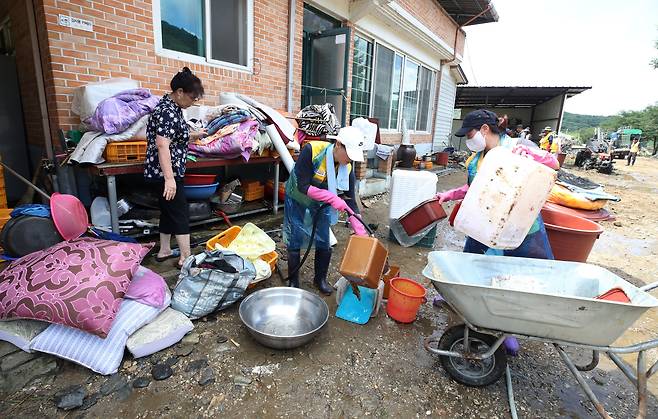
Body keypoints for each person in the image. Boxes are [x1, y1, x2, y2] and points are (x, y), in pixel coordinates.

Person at [436, 109, 559, 259]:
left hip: (519, 225)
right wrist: (449, 195)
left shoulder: (518, 144)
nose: (468, 141)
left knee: (528, 271)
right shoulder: (476, 160)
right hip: (484, 223)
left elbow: (554, 163)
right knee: (474, 266)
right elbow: (474, 188)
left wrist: (529, 152)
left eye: (469, 135)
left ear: (484, 129)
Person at [284, 126, 367, 295]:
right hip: (297, 197)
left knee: (324, 240)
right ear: (338, 144)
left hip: (320, 204)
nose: (350, 160)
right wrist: (332, 198)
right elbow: (303, 186)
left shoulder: (348, 168)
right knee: (295, 237)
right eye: (349, 155)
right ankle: (293, 282)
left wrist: (360, 231)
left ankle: (319, 279)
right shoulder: (312, 150)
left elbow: (350, 200)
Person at [144, 67, 207, 267]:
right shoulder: (167, 112)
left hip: (163, 171)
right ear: (179, 92)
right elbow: (163, 144)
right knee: (180, 212)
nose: (193, 102)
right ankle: (185, 257)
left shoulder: (172, 108)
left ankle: (164, 250)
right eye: (192, 97)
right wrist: (169, 179)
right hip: (166, 172)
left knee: (168, 211)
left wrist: (195, 135)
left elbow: (174, 136)